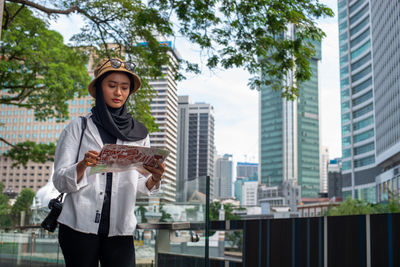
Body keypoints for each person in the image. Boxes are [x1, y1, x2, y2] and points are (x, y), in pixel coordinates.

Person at [52, 58, 165, 267]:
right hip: (78, 226)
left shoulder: (139, 133)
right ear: (99, 87)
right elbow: (59, 181)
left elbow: (140, 185)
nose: (118, 93)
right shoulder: (79, 126)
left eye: (124, 87)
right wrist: (83, 165)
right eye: (111, 86)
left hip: (120, 230)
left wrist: (155, 177)